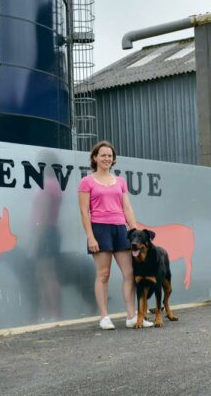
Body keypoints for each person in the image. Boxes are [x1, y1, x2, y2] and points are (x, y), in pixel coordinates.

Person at [78, 141, 153, 330]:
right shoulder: (86, 181)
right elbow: (84, 212)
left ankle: (131, 316)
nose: (106, 159)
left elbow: (127, 208)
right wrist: (90, 236)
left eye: (110, 156)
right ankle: (104, 317)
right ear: (95, 157)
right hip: (100, 229)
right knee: (103, 274)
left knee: (129, 274)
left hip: (121, 230)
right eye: (103, 155)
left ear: (113, 159)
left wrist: (136, 233)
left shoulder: (120, 181)